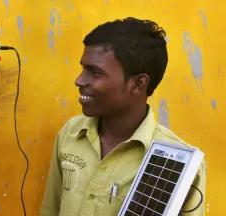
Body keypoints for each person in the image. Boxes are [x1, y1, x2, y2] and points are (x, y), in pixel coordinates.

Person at [40, 17, 205, 216]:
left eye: (95, 72)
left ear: (138, 84)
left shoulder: (180, 164)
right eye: (83, 68)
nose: (79, 80)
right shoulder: (71, 133)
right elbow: (50, 210)